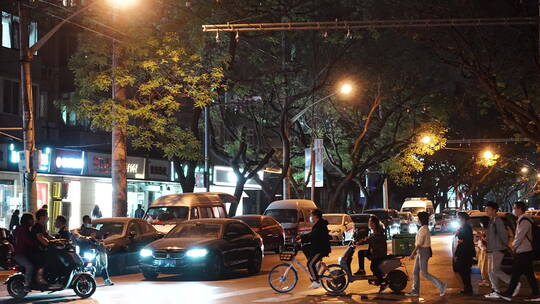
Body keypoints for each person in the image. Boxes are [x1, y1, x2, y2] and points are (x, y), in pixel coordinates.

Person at [497, 202, 540, 301]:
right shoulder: (522, 219)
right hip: (524, 250)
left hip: (524, 250)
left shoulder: (524, 220)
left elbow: (520, 236)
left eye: (514, 208)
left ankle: (509, 293)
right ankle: (536, 293)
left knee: (516, 273)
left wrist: (513, 246)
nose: (513, 210)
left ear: (520, 209)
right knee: (528, 274)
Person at [406, 211, 447, 297]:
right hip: (421, 252)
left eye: (418, 218)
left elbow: (419, 244)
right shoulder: (423, 228)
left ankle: (441, 285)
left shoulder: (424, 229)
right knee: (415, 272)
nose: (417, 220)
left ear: (421, 220)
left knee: (424, 273)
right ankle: (415, 291)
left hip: (423, 252)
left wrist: (412, 254)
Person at [483, 201, 518, 299]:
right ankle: (496, 290)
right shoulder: (491, 220)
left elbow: (503, 235)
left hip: (497, 249)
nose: (486, 210)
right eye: (486, 208)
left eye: (488, 209)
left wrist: (504, 246)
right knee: (490, 271)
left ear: (494, 210)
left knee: (495, 270)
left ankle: (513, 283)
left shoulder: (497, 220)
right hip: (491, 249)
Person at [73, 215, 114, 286]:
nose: (90, 222)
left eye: (90, 220)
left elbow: (101, 237)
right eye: (88, 221)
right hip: (85, 251)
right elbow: (77, 237)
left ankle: (106, 279)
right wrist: (87, 238)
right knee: (83, 266)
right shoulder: (80, 231)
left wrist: (103, 237)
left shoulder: (94, 230)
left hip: (96, 251)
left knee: (103, 264)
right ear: (84, 221)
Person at [300, 209, 331, 289]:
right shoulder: (318, 224)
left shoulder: (320, 225)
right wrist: (301, 237)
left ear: (316, 216)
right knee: (305, 247)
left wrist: (302, 239)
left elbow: (313, 236)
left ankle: (316, 281)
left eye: (311, 215)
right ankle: (312, 267)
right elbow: (311, 234)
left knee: (310, 264)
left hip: (321, 249)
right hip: (318, 247)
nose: (310, 217)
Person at [353, 215, 387, 283]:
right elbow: (370, 238)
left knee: (373, 267)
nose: (368, 223)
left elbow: (370, 238)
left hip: (378, 254)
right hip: (374, 252)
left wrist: (359, 242)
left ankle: (382, 281)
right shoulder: (375, 230)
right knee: (361, 253)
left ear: (374, 223)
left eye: (369, 222)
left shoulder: (379, 231)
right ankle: (362, 270)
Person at [12, 213, 38, 290]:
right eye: (32, 219)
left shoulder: (24, 228)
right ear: (28, 220)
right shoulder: (23, 229)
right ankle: (27, 285)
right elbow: (27, 241)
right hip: (19, 254)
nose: (34, 221)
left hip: (24, 253)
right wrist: (37, 244)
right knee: (29, 266)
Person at [453, 212, 475, 295]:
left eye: (459, 217)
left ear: (463, 218)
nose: (458, 219)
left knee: (464, 270)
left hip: (466, 252)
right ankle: (467, 287)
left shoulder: (467, 227)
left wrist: (461, 240)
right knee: (462, 270)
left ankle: (468, 288)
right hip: (463, 250)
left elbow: (468, 239)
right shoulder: (462, 227)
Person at [31, 208, 52, 284]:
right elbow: (41, 238)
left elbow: (47, 236)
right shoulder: (37, 227)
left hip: (41, 249)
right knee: (44, 261)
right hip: (36, 251)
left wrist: (57, 240)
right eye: (46, 216)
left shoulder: (42, 227)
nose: (47, 218)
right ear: (42, 217)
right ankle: (39, 278)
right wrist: (49, 244)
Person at [477, 217, 490, 287]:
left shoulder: (488, 230)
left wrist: (481, 236)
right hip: (482, 250)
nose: (480, 224)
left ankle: (486, 280)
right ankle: (485, 280)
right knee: (482, 265)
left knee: (485, 266)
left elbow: (488, 240)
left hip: (486, 250)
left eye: (481, 222)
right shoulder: (485, 230)